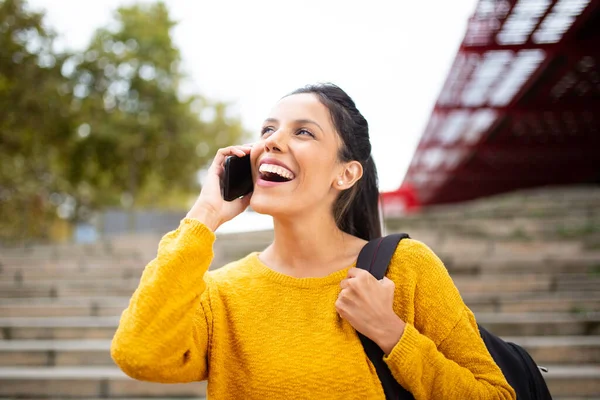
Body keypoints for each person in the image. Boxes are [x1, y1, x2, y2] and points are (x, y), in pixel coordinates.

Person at [111, 83, 516, 399]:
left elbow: (495, 395)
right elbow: (138, 353)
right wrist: (205, 215)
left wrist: (393, 335)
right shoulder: (223, 294)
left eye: (303, 132)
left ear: (346, 174)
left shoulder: (404, 268)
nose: (270, 140)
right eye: (268, 129)